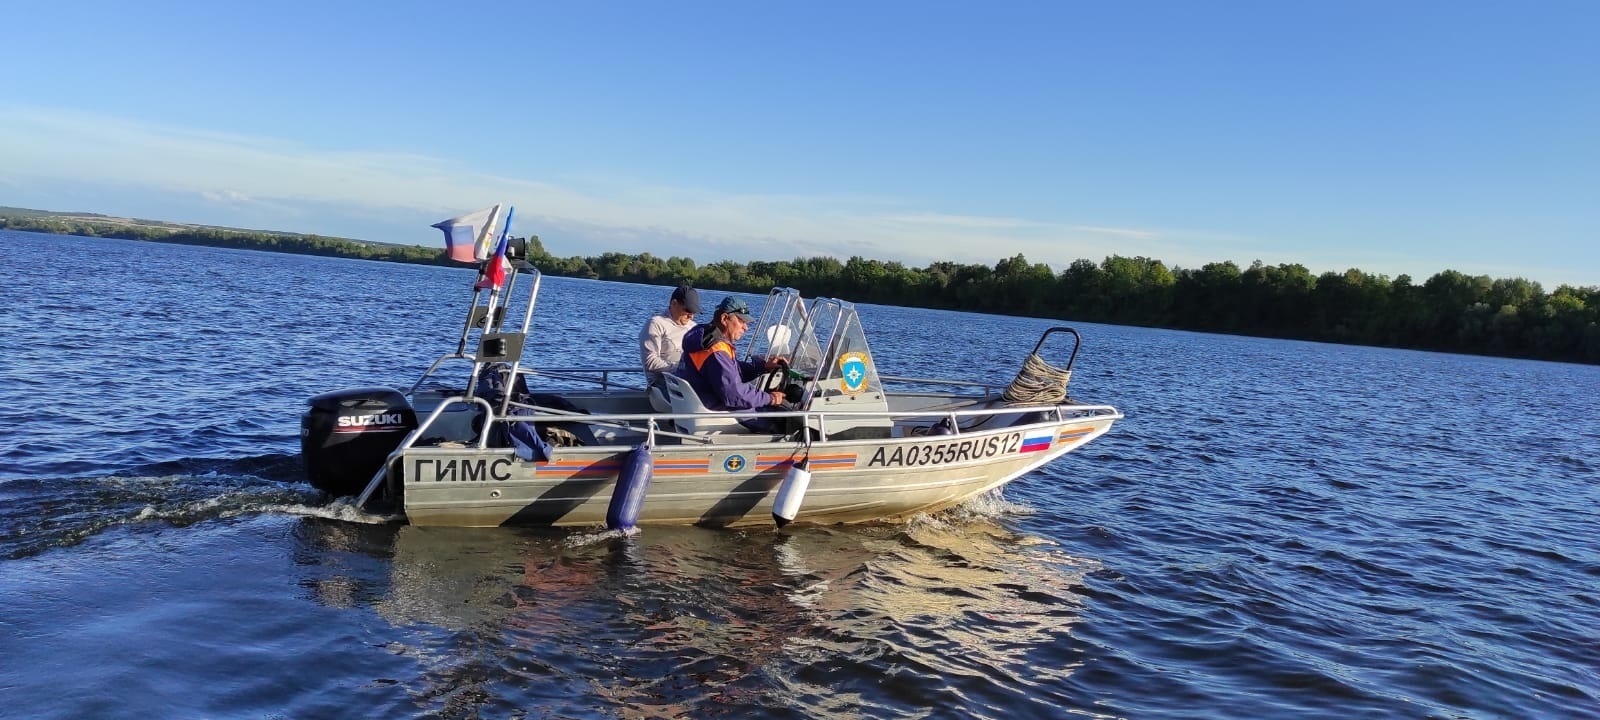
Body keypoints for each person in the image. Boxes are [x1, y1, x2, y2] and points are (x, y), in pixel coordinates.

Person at [676, 296, 793, 432]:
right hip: (716, 407)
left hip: (702, 401)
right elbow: (734, 395)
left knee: (766, 407)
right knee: (779, 422)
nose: (746, 327)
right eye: (741, 321)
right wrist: (771, 398)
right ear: (725, 318)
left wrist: (762, 367)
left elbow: (730, 370)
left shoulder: (704, 338)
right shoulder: (716, 352)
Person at [639, 284, 699, 392]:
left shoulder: (694, 327)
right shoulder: (656, 324)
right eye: (688, 311)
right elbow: (650, 362)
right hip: (662, 384)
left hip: (689, 381)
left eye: (694, 312)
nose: (691, 316)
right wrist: (682, 369)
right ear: (674, 303)